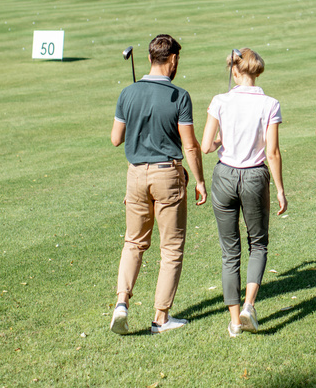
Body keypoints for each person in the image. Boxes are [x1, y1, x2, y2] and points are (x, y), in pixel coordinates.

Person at [109, 34, 207, 335]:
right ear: (173, 60)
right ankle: (160, 318)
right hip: (167, 175)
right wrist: (201, 181)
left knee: (134, 242)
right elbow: (190, 146)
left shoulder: (128, 93)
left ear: (151, 58)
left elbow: (116, 139)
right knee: (171, 249)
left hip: (136, 175)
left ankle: (122, 303)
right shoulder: (180, 96)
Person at [201, 48, 287, 338]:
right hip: (254, 176)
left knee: (230, 252)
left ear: (235, 72)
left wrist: (221, 139)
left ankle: (235, 321)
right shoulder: (270, 103)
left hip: (224, 175)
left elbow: (205, 146)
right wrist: (281, 189)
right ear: (257, 72)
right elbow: (272, 152)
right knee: (258, 244)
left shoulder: (220, 101)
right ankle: (249, 305)